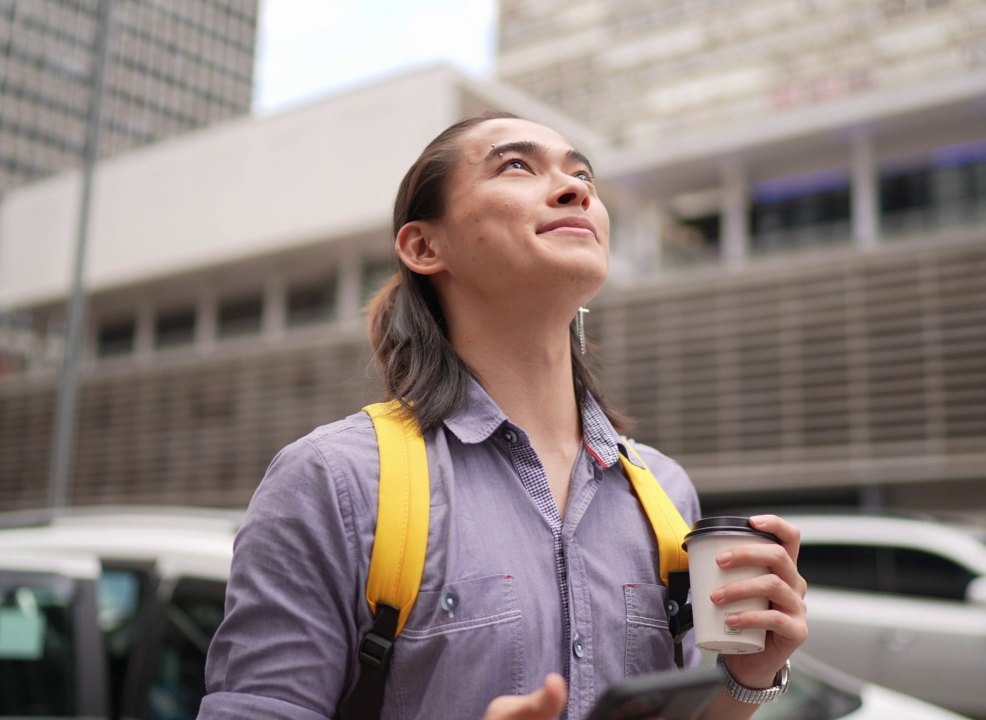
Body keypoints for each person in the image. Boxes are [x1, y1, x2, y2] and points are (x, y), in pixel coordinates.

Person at [199, 112, 808, 720]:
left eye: (581, 174)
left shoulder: (667, 493)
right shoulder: (334, 481)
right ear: (423, 246)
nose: (577, 190)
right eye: (516, 166)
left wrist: (745, 681)